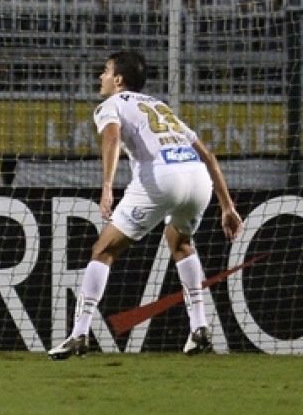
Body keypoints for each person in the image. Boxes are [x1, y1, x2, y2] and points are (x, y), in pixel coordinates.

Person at [49, 51, 244, 359]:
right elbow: (208, 155)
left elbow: (111, 139)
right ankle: (200, 326)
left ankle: (79, 334)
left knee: (103, 249)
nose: (100, 76)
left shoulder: (109, 105)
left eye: (105, 70)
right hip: (197, 179)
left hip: (161, 179)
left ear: (118, 79)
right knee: (180, 241)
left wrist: (106, 187)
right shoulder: (159, 105)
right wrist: (227, 206)